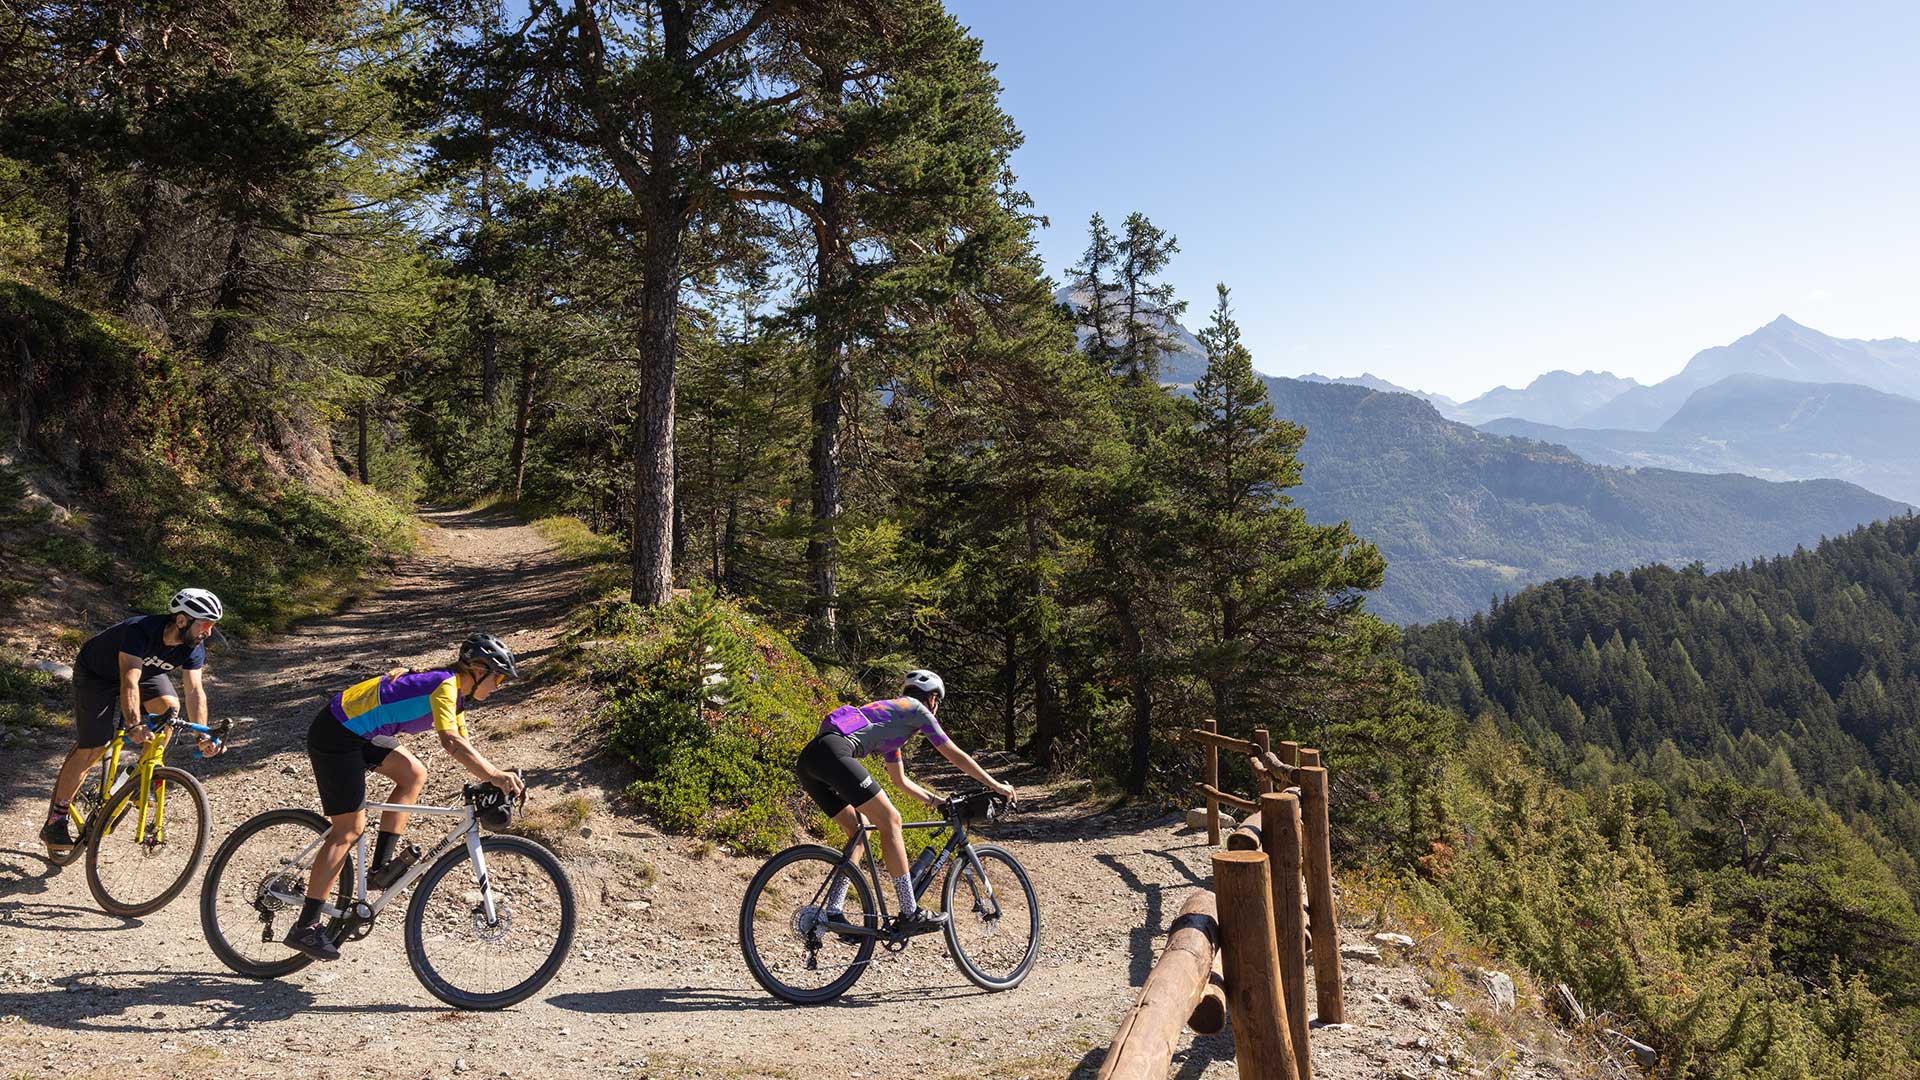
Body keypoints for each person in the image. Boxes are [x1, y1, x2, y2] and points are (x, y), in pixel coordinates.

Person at [282, 632, 525, 962]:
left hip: (363, 733)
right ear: (479, 670)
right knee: (349, 830)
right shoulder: (446, 685)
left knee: (413, 773)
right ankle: (306, 926)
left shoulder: (456, 697)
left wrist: (494, 778)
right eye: (498, 678)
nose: (498, 686)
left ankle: (380, 868)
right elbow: (450, 743)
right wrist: (494, 774)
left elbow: (465, 747)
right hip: (336, 733)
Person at [794, 669, 1016, 934]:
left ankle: (833, 911)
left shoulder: (892, 722)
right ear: (932, 699)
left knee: (859, 831)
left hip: (810, 761)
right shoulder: (916, 709)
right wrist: (995, 785)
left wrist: (937, 802)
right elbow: (953, 753)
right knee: (891, 819)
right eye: (937, 702)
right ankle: (910, 911)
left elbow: (899, 780)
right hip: (834, 752)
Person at [41, 588, 227, 858]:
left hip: (146, 675)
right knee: (94, 746)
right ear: (181, 620)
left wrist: (204, 735)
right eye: (205, 624)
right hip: (98, 675)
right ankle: (57, 818)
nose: (208, 632)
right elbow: (128, 680)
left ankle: (144, 776)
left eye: (212, 625)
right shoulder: (140, 631)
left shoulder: (193, 646)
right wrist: (134, 723)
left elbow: (195, 691)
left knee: (170, 712)